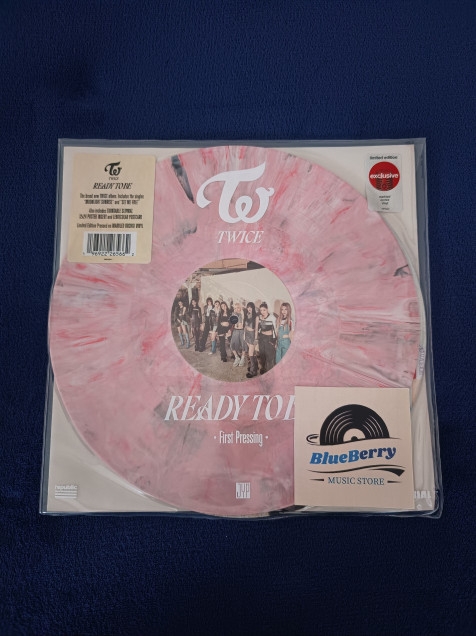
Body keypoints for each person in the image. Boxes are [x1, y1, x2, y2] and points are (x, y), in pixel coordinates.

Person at [257, 302, 277, 374]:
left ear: (267, 309)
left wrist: (274, 341)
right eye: (261, 310)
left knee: (270, 356)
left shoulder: (272, 317)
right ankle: (263, 368)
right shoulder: (259, 317)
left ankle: (270, 372)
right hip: (262, 338)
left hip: (269, 339)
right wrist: (261, 333)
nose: (262, 312)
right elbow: (258, 328)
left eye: (264, 310)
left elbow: (275, 330)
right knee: (262, 355)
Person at [244, 302, 259, 378]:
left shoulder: (256, 317)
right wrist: (244, 335)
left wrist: (255, 339)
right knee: (252, 353)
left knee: (251, 353)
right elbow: (245, 326)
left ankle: (253, 371)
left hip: (252, 335)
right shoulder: (247, 315)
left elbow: (256, 329)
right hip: (247, 334)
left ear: (253, 308)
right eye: (248, 307)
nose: (249, 309)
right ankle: (255, 366)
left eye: (250, 307)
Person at [230, 301, 246, 367]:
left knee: (243, 345)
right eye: (235, 308)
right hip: (235, 331)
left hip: (242, 331)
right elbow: (232, 322)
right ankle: (237, 357)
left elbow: (245, 324)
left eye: (238, 307)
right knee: (232, 345)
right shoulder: (233, 314)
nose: (237, 309)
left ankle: (242, 358)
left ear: (240, 308)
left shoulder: (243, 313)